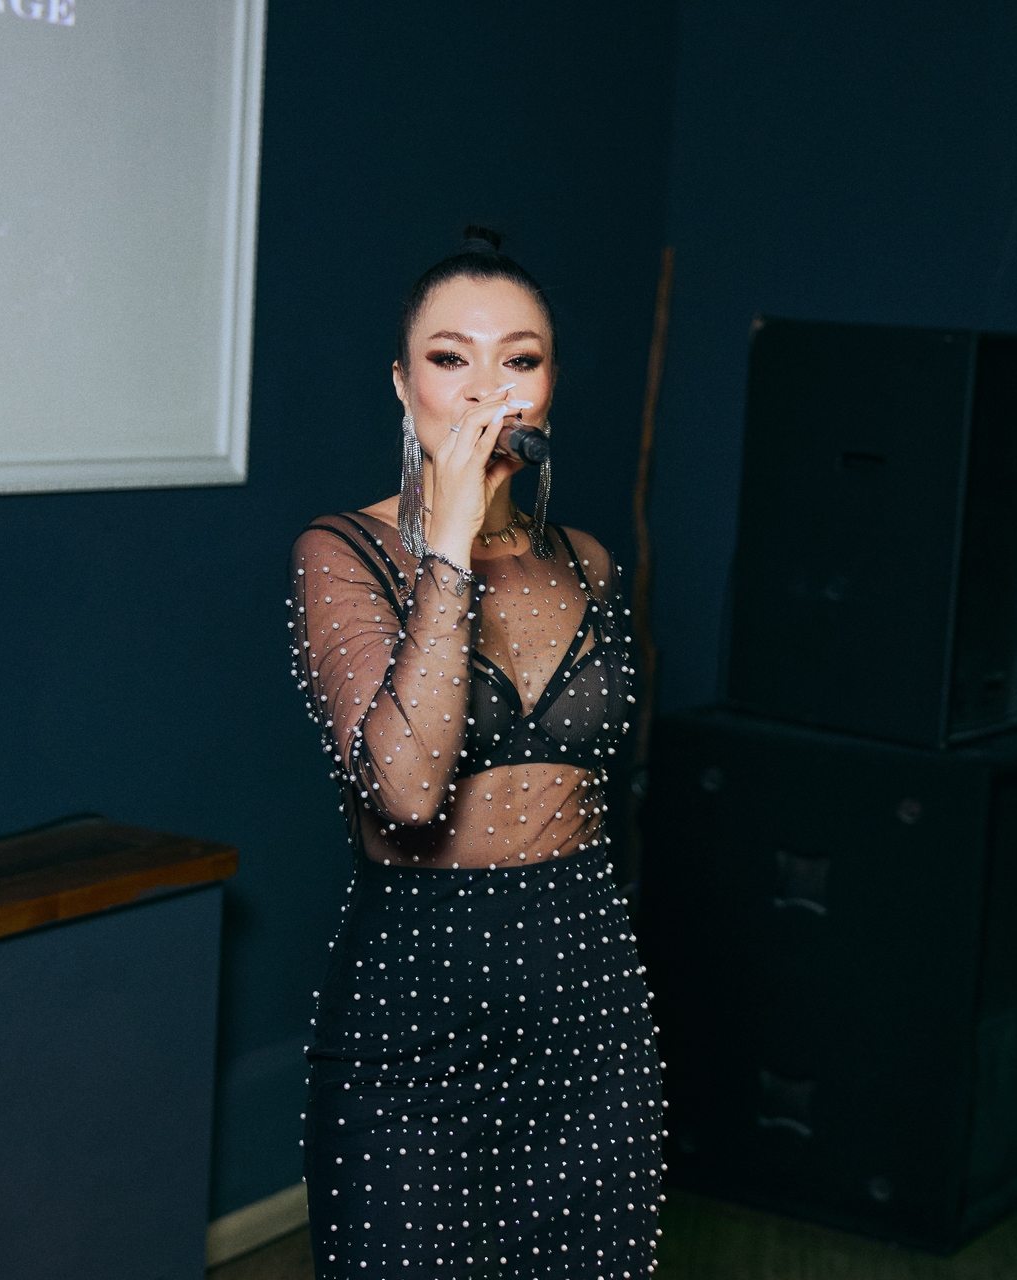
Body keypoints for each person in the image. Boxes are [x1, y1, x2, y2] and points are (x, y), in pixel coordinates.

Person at [287, 227, 663, 1278]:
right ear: (402, 384)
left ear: (549, 388)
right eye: (451, 357)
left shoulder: (588, 561)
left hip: (587, 996)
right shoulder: (340, 551)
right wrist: (446, 544)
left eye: (520, 359)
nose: (488, 390)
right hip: (411, 1002)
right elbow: (406, 793)